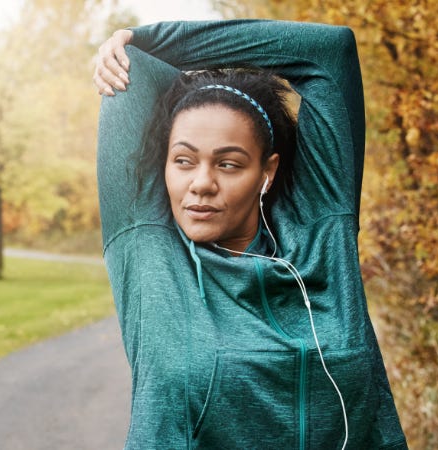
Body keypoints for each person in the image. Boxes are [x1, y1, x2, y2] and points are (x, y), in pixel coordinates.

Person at [93, 20, 407, 449]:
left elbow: (329, 51)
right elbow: (139, 74)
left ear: (268, 170)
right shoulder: (149, 247)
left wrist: (156, 38)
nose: (201, 183)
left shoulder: (322, 230)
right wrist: (136, 46)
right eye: (184, 161)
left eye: (228, 164)